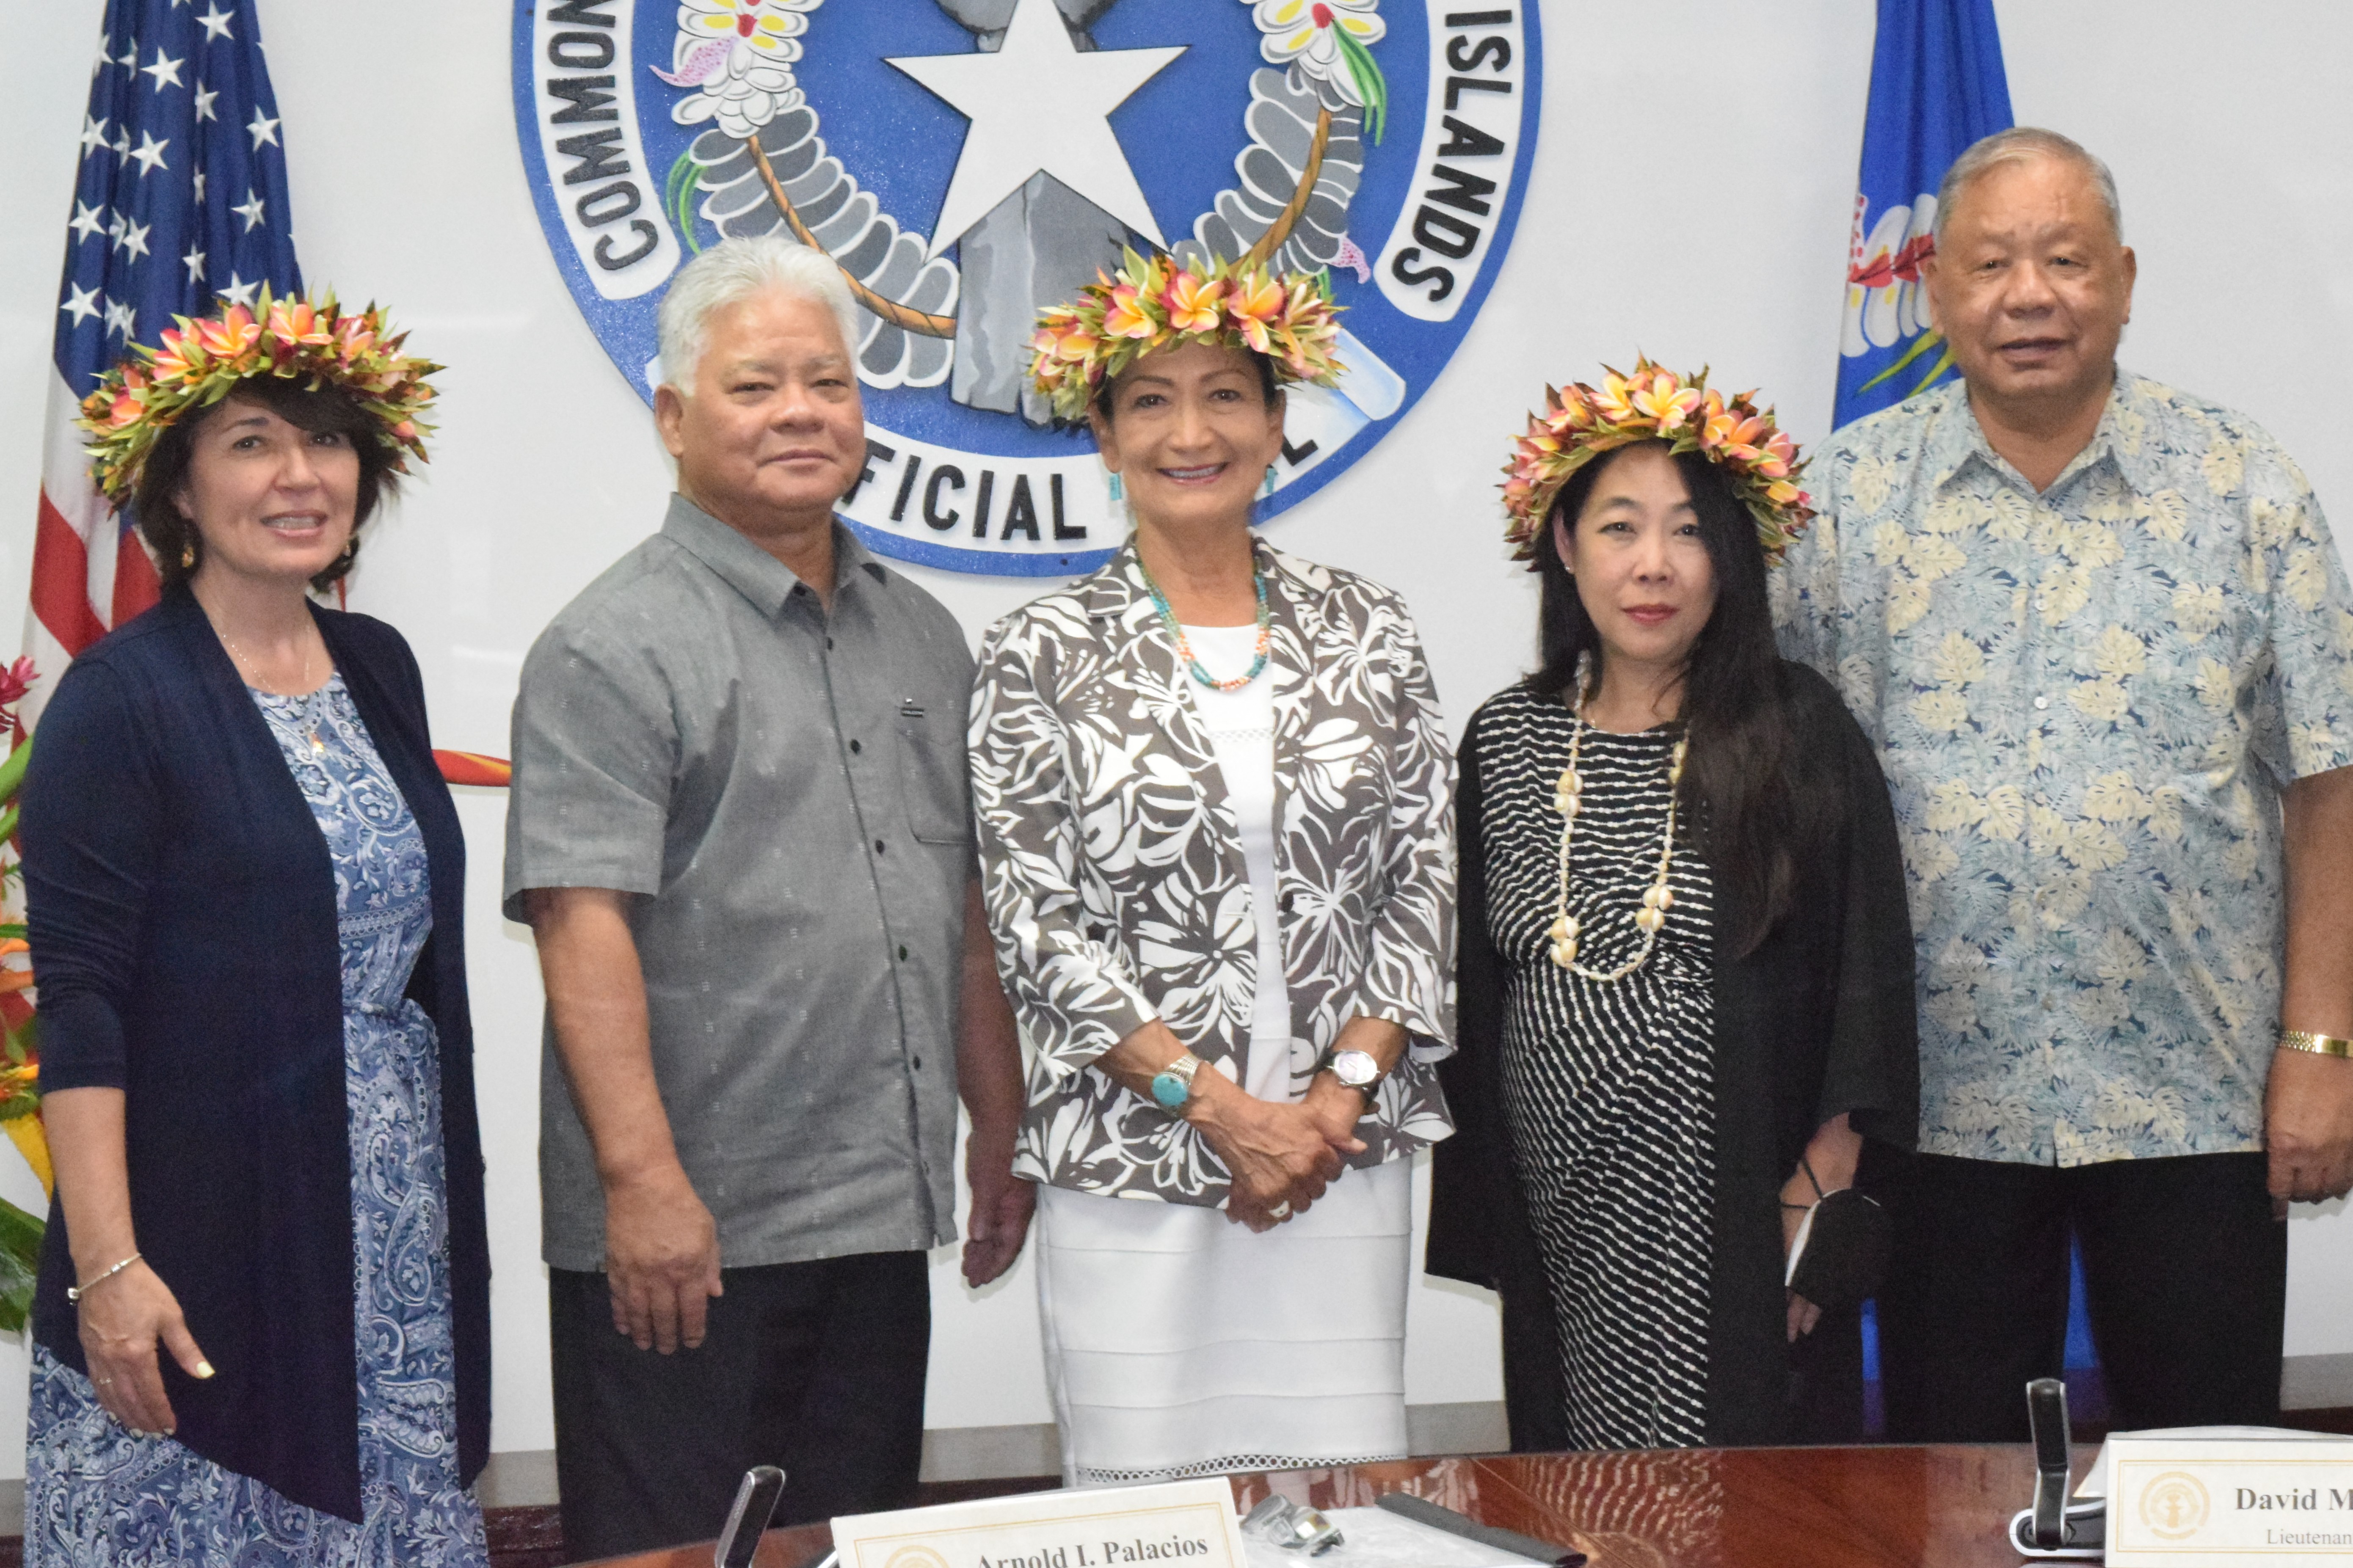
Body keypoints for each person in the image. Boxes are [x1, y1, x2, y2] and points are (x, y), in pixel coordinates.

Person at [1778, 127, 2353, 1441]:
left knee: (2202, 1481)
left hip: (2196, 1092)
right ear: (1935, 292)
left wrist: (2322, 1049)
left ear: (2127, 280)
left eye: (2064, 259)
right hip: (1933, 1107)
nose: (2028, 294)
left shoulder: (2242, 485)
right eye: (1990, 264)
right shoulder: (1842, 505)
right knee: (1953, 1489)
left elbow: (2332, 778)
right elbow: (1783, 802)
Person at [504, 235, 1032, 1559]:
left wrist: (996, 1122)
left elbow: (952, 899)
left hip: (873, 1209)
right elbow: (584, 927)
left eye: (829, 383)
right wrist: (643, 1186)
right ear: (674, 417)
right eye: (756, 386)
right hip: (691, 1239)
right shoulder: (609, 644)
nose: (802, 411)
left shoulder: (922, 632)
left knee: (852, 1549)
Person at [20, 294, 488, 1563]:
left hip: (387, 1224)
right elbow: (82, 1005)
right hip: (199, 1232)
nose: (300, 474)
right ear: (175, 488)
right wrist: (110, 1270)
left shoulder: (379, 662)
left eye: (330, 441)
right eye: (253, 442)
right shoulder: (121, 703)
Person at [976, 251, 1455, 1487]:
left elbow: (1422, 883)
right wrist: (1228, 1112)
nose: (1192, 432)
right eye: (1150, 399)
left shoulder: (1372, 627)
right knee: (1150, 1517)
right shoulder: (1039, 650)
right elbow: (1037, 928)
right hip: (1137, 1164)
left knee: (1345, 1510)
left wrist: (1332, 1104)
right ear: (1103, 431)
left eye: (1227, 394)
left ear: (1280, 419)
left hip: (1338, 1162)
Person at [1424, 361, 1920, 1450]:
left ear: (1728, 558)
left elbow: (1861, 980)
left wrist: (1813, 1204)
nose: (1651, 565)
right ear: (1563, 545)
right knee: (1580, 1473)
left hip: (1737, 1212)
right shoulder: (1506, 738)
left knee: (1747, 1500)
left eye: (1688, 531)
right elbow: (1474, 982)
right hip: (1561, 1214)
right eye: (1617, 527)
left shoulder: (1795, 727)